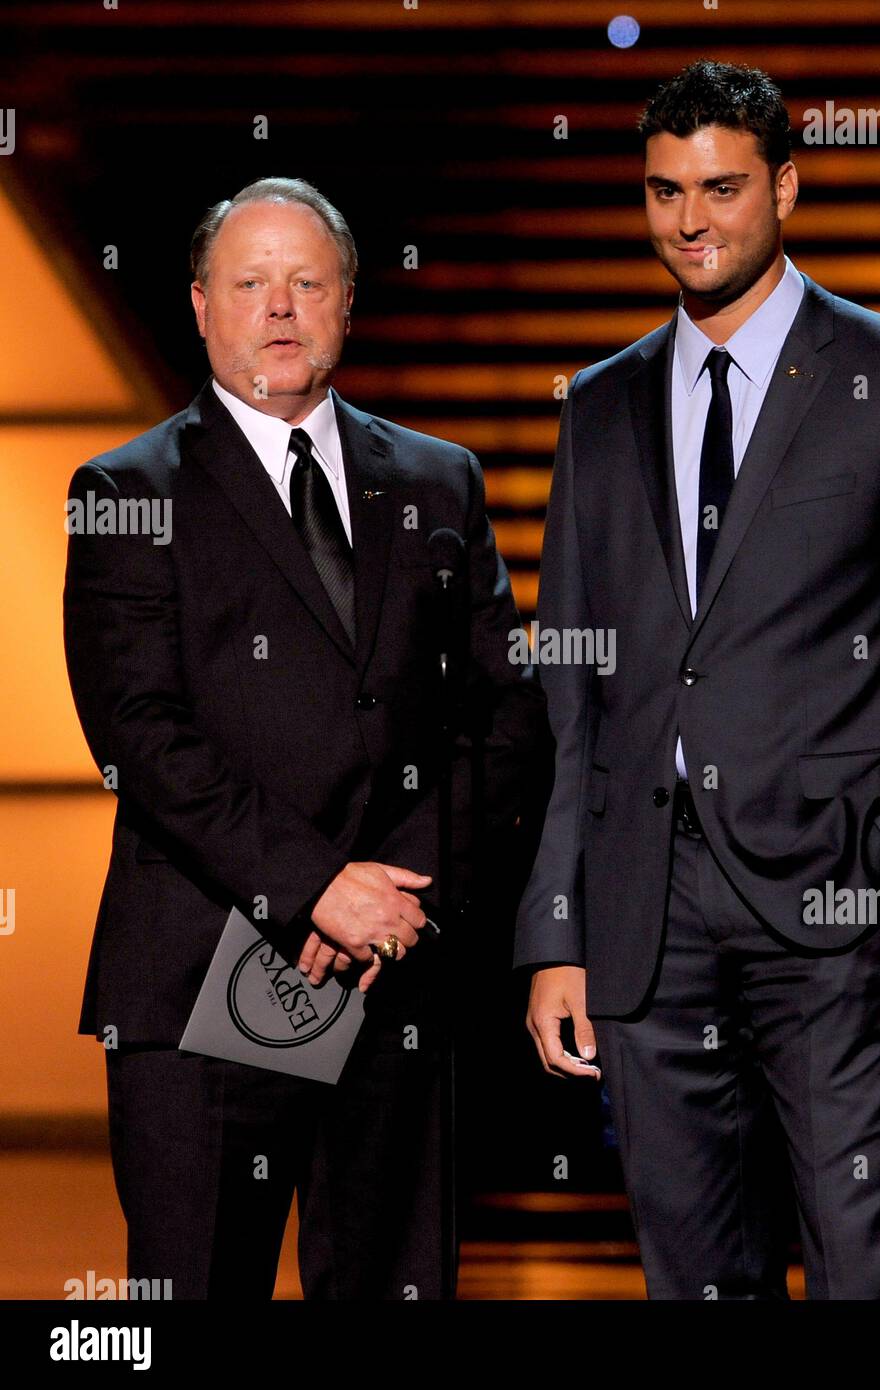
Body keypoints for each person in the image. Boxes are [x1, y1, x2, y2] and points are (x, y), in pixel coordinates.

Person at [516, 62, 880, 1300]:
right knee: (695, 1276)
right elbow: (571, 695)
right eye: (662, 192)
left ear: (784, 188)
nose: (689, 221)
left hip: (833, 899)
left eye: (720, 188)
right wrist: (556, 926)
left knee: (864, 1271)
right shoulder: (598, 407)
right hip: (646, 912)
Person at [63, 176, 543, 1299]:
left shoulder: (437, 480)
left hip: (397, 971)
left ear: (346, 304)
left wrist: (395, 897)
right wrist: (314, 885)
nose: (278, 308)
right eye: (249, 283)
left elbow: (507, 715)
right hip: (206, 972)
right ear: (198, 305)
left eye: (306, 283)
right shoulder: (128, 491)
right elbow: (140, 734)